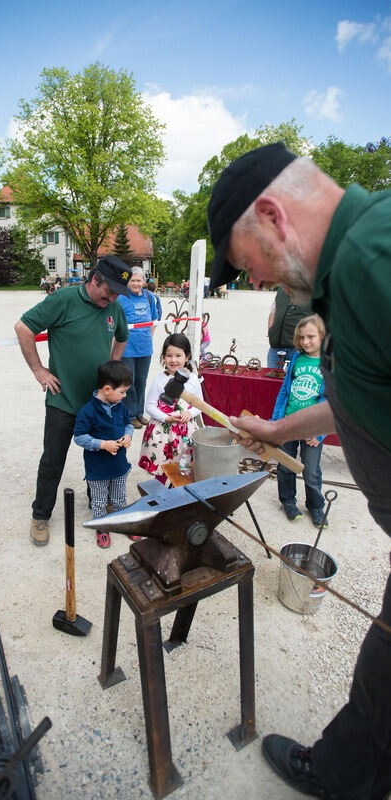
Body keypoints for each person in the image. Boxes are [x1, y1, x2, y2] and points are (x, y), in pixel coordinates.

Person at [207, 142, 391, 800]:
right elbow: (353, 391)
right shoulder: (349, 278)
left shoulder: (375, 260)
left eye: (245, 263)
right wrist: (277, 430)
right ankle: (345, 776)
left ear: (273, 215)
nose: (253, 282)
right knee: (383, 676)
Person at [14, 255, 131, 547]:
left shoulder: (113, 308)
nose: (113, 298)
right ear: (95, 280)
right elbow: (23, 328)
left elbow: (122, 336)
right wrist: (39, 370)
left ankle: (99, 503)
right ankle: (40, 515)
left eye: (118, 293)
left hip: (99, 405)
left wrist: (112, 368)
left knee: (103, 454)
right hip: (63, 401)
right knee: (52, 460)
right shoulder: (64, 299)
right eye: (110, 291)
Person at [272, 314, 327, 526]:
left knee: (311, 469)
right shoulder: (296, 357)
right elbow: (285, 392)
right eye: (302, 337)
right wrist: (275, 423)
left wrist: (320, 433)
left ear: (323, 336)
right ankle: (287, 500)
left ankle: (315, 506)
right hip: (288, 423)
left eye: (311, 336)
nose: (305, 341)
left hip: (312, 428)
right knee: (285, 465)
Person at [73, 361, 135, 549]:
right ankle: (102, 526)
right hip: (98, 469)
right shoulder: (88, 412)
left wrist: (127, 436)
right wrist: (102, 444)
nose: (124, 396)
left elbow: (128, 424)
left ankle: (121, 520)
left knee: (119, 498)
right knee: (99, 501)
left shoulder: (119, 406)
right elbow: (79, 437)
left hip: (119, 465)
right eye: (122, 392)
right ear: (107, 389)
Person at [138, 333, 203, 483]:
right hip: (162, 431)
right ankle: (159, 496)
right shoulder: (160, 379)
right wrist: (165, 417)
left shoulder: (193, 379)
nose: (173, 360)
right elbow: (150, 405)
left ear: (187, 357)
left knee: (184, 468)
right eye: (169, 355)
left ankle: (181, 495)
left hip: (185, 432)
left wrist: (190, 412)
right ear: (163, 357)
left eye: (178, 355)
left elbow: (200, 404)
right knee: (162, 467)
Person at [118, 267, 158, 430]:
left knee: (141, 381)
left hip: (145, 348)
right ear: (128, 282)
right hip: (127, 348)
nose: (135, 283)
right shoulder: (121, 298)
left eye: (138, 280)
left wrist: (149, 338)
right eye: (132, 280)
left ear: (144, 282)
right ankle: (130, 415)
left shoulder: (149, 297)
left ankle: (140, 413)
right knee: (130, 382)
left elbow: (154, 320)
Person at [267, 286, 311, 368]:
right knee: (271, 379)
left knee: (296, 379)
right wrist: (271, 332)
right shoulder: (281, 290)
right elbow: (273, 311)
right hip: (275, 349)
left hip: (298, 350)